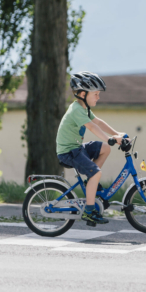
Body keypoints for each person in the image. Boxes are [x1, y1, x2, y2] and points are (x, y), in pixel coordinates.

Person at [56, 72, 127, 226]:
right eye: (95, 94)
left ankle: (91, 181)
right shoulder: (76, 110)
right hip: (69, 152)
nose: (98, 97)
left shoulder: (84, 108)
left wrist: (116, 134)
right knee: (96, 172)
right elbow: (92, 127)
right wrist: (109, 138)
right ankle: (89, 211)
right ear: (83, 94)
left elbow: (98, 122)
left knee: (105, 148)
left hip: (76, 148)